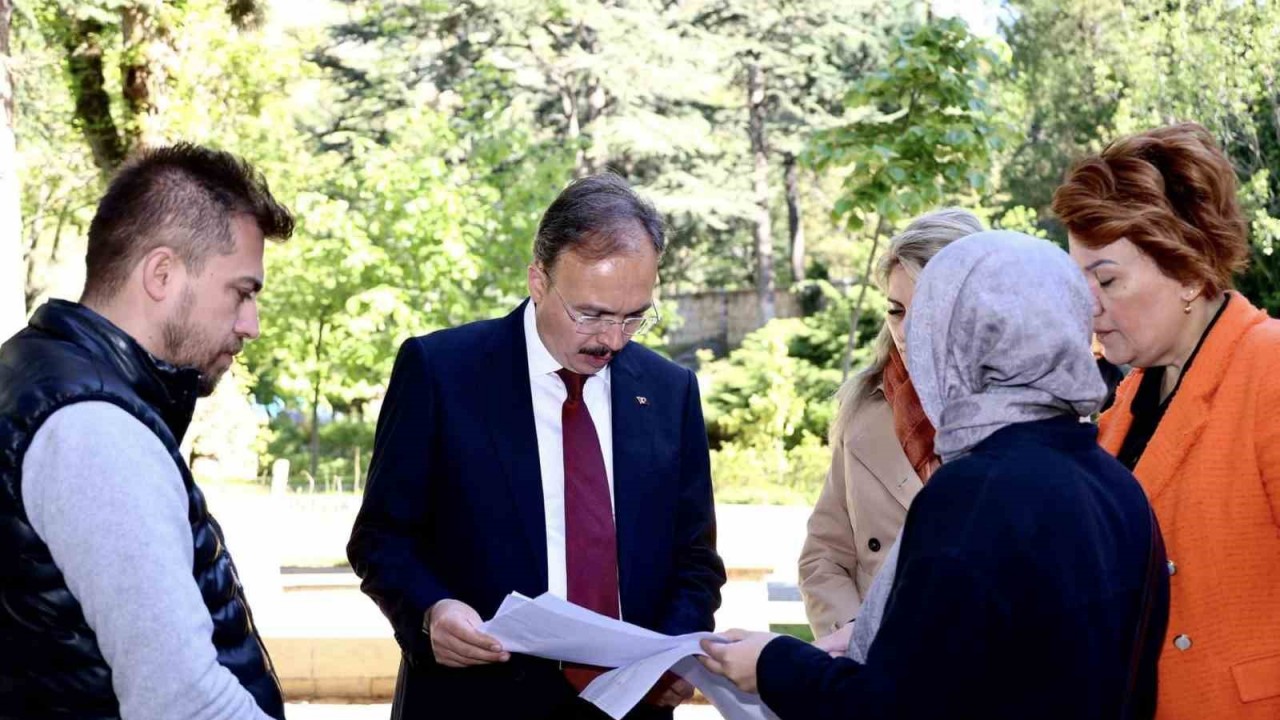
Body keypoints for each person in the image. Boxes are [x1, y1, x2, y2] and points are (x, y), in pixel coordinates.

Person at [699, 231, 1169, 720]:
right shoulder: (1118, 488)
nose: (910, 337)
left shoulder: (973, 495)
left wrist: (772, 662)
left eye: (929, 321)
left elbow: (892, 708)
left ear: (953, 340)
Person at [347, 173, 726, 720]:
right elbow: (381, 537)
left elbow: (694, 559)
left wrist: (669, 656)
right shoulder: (442, 372)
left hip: (630, 707)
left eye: (634, 316)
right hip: (474, 701)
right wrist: (431, 611)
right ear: (538, 281)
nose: (612, 340)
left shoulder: (669, 391)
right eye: (592, 314)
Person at [0, 144, 294, 719]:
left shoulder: (43, 376)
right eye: (242, 291)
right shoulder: (92, 428)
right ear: (162, 274)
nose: (250, 325)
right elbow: (181, 700)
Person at [1053, 122, 1280, 719]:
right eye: (1079, 282)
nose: (1088, 305)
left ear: (1187, 270)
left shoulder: (1270, 369)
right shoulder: (1126, 400)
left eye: (1105, 279)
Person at [799, 208, 982, 642]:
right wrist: (855, 637)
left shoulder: (1021, 415)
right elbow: (824, 555)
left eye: (930, 310)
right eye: (896, 310)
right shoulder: (864, 407)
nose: (908, 330)